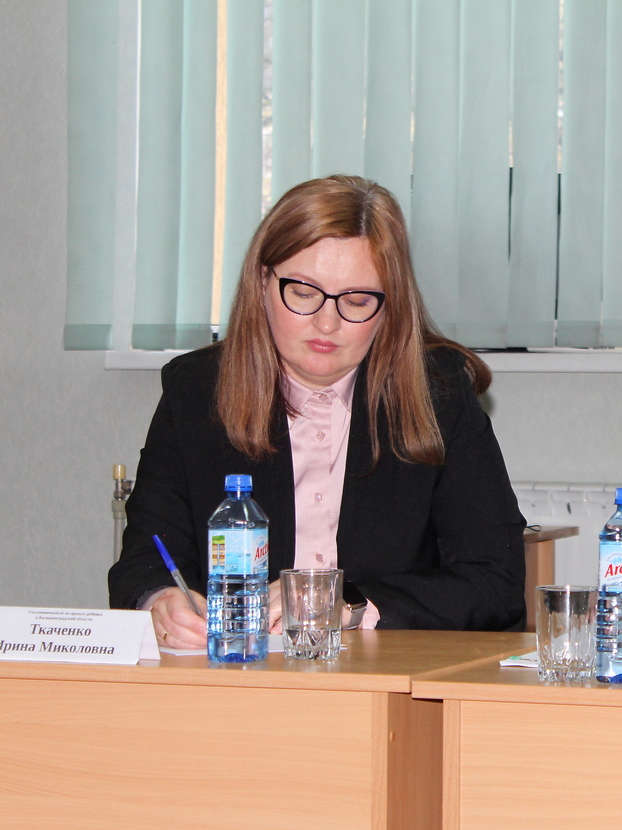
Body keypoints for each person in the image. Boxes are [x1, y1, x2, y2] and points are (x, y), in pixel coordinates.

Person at [108, 175, 526, 648]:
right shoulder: (196, 390)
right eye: (304, 293)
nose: (327, 323)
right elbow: (145, 558)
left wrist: (344, 603)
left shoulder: (439, 392)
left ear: (389, 306)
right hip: (243, 669)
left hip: (385, 670)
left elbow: (496, 582)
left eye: (357, 300)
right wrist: (158, 599)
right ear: (262, 282)